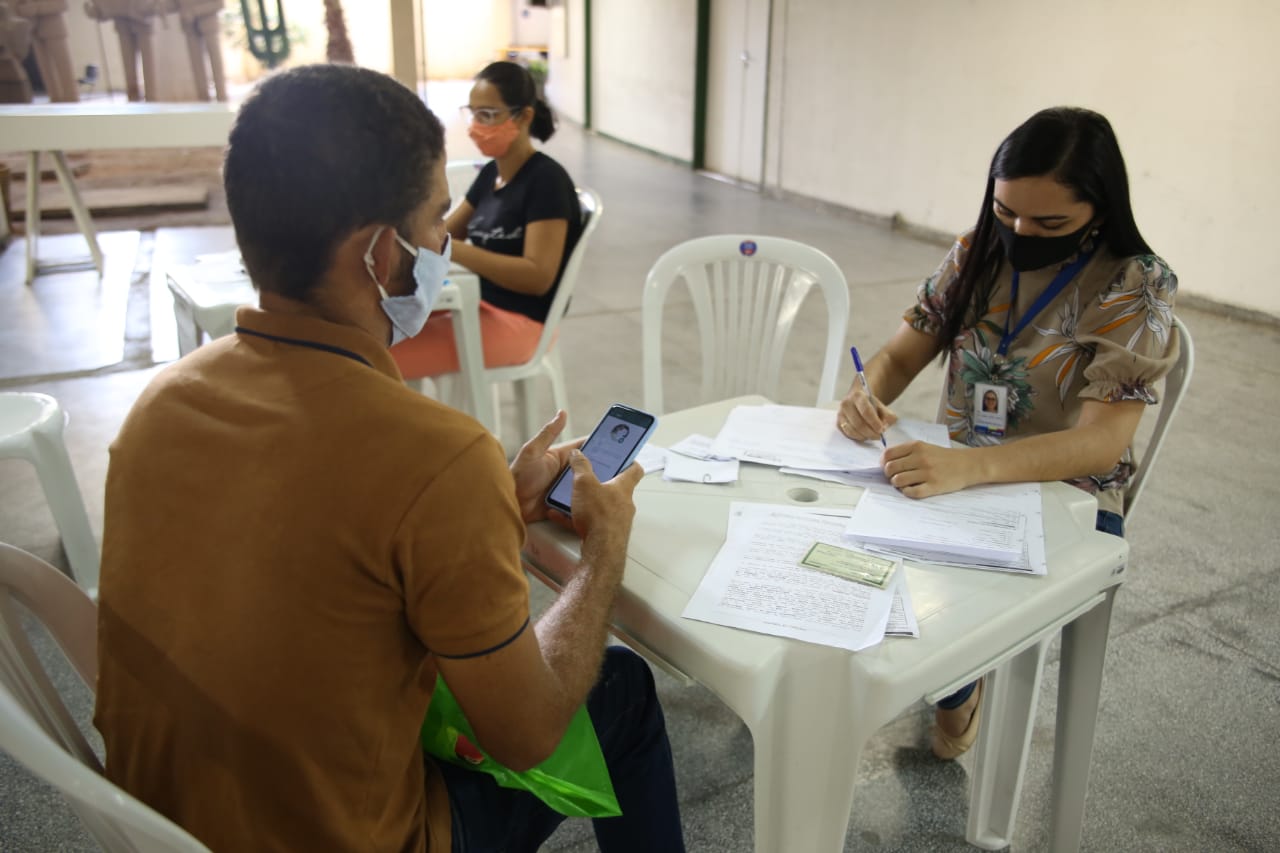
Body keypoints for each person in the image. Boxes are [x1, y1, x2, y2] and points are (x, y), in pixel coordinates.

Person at [94, 64, 685, 853]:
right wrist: (601, 552)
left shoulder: (163, 404)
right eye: (437, 222)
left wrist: (491, 508)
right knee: (621, 689)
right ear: (380, 254)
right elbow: (530, 732)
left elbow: (319, 560)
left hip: (169, 827)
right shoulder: (434, 455)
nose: (447, 245)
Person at [835, 106, 1178, 760]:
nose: (1020, 232)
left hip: (1066, 494)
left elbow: (1102, 442)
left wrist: (970, 469)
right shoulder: (977, 252)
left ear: (1100, 208)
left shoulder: (1136, 283)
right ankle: (948, 675)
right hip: (955, 467)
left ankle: (954, 677)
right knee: (844, 530)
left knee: (938, 568)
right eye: (1006, 212)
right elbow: (900, 354)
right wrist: (865, 392)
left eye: (1049, 223)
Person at [390, 60, 583, 379]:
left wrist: (453, 247)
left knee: (382, 356)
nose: (476, 125)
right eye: (474, 113)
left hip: (522, 323)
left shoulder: (546, 181)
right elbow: (442, 234)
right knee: (389, 333)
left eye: (488, 115)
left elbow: (538, 277)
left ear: (523, 117)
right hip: (477, 307)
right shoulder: (492, 174)